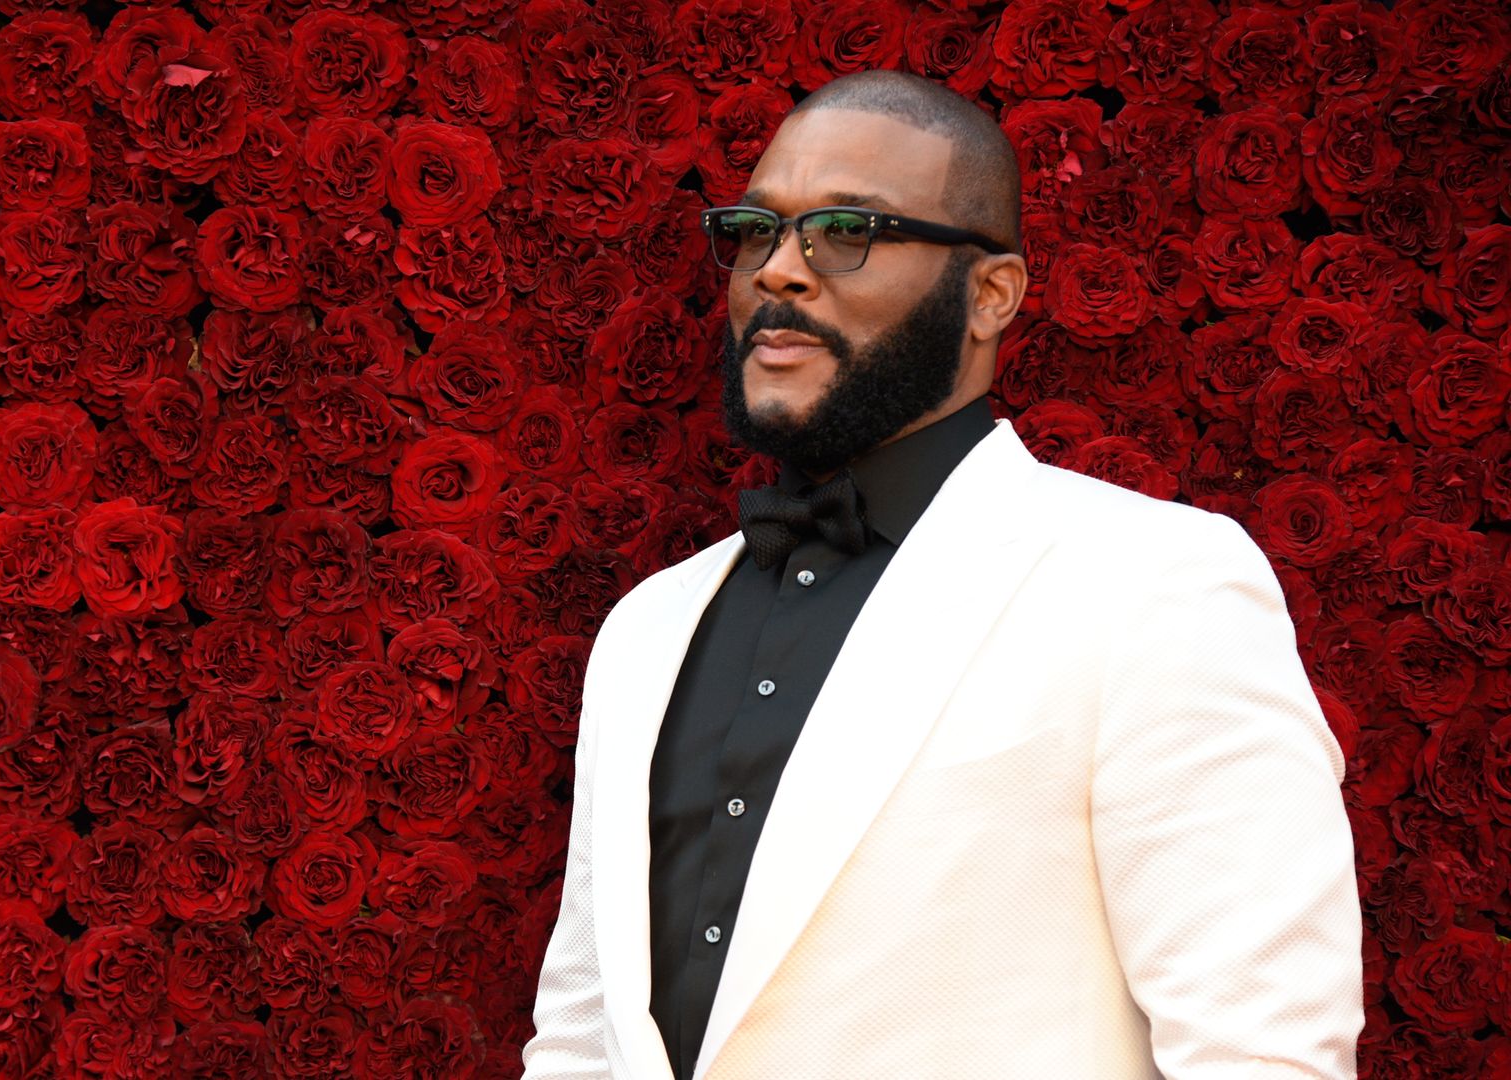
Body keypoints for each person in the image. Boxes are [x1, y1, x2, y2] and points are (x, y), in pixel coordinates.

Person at [519, 70, 1362, 1080]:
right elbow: (579, 1038)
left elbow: (1261, 1054)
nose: (779, 271)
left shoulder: (1153, 585)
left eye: (846, 230)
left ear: (991, 294)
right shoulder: (647, 629)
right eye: (756, 231)